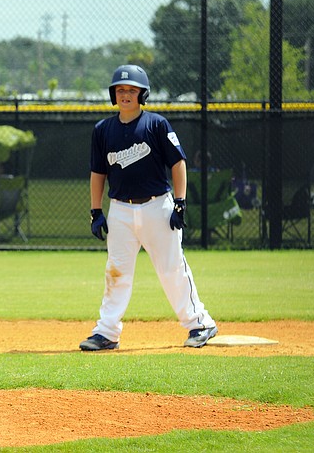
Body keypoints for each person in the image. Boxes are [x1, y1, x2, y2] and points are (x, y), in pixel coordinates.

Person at [80, 65, 218, 351]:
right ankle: (106, 332)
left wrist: (180, 202)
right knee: (116, 271)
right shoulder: (103, 130)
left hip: (157, 206)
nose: (125, 94)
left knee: (171, 268)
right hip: (120, 210)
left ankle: (199, 323)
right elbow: (98, 173)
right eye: (120, 90)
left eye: (131, 90)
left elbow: (178, 163)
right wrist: (96, 210)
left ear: (142, 94)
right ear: (113, 95)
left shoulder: (156, 124)